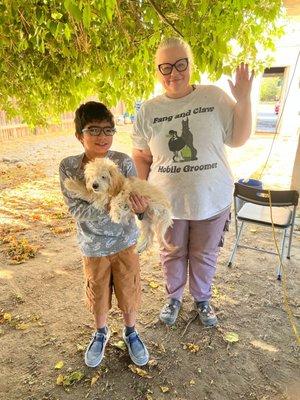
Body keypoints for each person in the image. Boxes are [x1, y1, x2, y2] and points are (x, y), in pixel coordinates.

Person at [132, 37, 254, 327]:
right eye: (165, 67)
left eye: (180, 64)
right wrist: (142, 190)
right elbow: (140, 154)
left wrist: (245, 98)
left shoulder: (213, 97)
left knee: (204, 252)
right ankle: (173, 297)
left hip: (212, 198)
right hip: (166, 203)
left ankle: (202, 299)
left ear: (190, 64)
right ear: (157, 72)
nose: (174, 72)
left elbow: (238, 138)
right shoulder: (148, 110)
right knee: (172, 251)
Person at [59, 101, 149, 367]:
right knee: (97, 293)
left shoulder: (122, 162)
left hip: (125, 242)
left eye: (108, 130)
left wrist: (141, 211)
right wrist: (112, 204)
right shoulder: (69, 168)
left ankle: (131, 331)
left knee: (128, 289)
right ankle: (100, 333)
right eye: (94, 130)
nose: (103, 137)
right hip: (93, 245)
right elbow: (77, 211)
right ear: (79, 135)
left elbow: (134, 203)